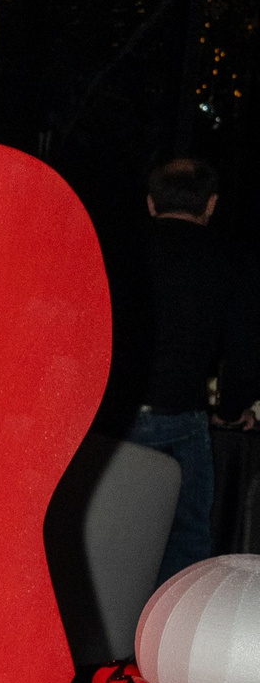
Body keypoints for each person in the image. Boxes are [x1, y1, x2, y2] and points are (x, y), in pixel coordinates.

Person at [114, 153, 260, 581]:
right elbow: (245, 348)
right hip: (179, 418)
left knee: (111, 537)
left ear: (151, 202)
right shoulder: (229, 258)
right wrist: (231, 408)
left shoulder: (120, 249)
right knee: (185, 544)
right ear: (211, 204)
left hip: (111, 419)